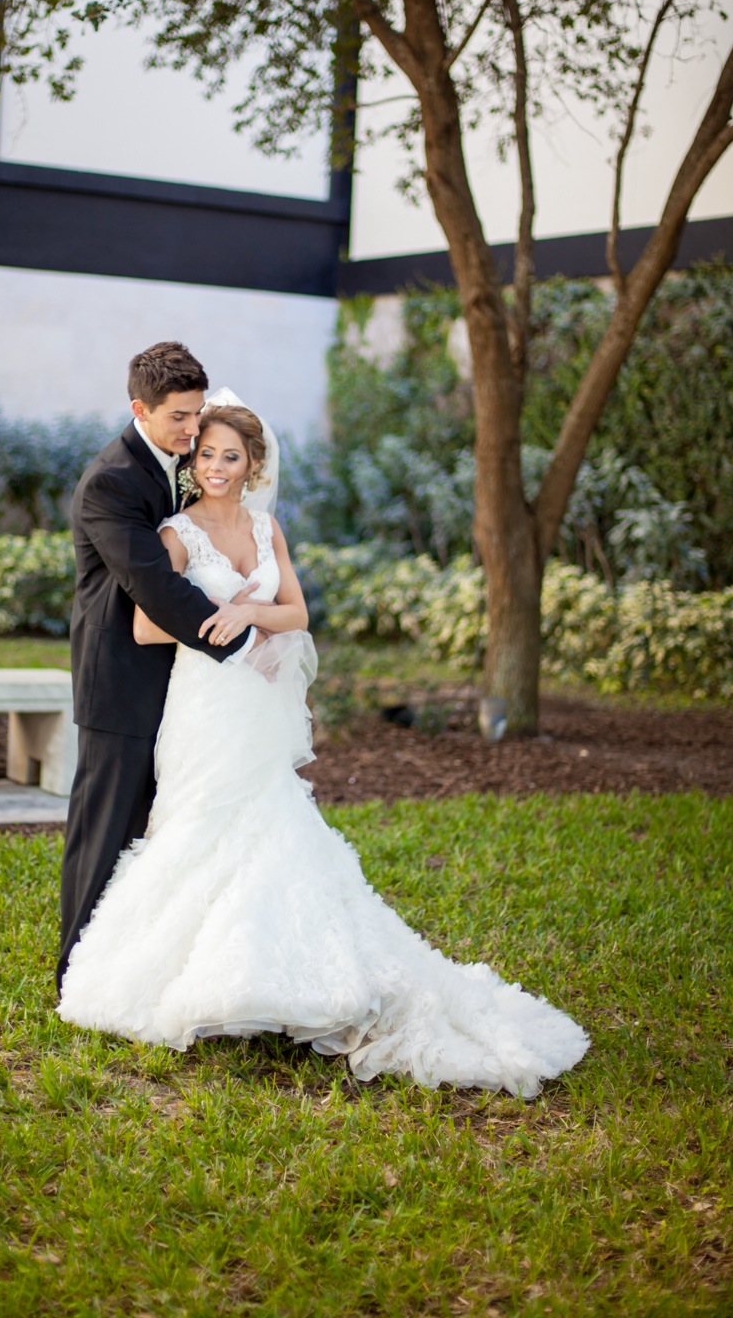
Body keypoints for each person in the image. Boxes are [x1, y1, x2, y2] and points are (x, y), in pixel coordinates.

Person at [58, 396, 590, 1097]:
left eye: (230, 456)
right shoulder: (175, 533)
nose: (216, 466)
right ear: (194, 462)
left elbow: (299, 614)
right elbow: (149, 631)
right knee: (200, 824)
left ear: (252, 467)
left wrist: (251, 610)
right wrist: (229, 625)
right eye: (206, 454)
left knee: (273, 821)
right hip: (205, 704)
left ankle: (287, 971)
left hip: (258, 709)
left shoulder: (266, 527)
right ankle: (201, 979)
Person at [57, 343, 261, 996]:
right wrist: (243, 643)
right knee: (104, 831)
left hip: (175, 683)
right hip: (119, 678)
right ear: (138, 408)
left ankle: (130, 965)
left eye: (197, 415)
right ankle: (76, 976)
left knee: (152, 830)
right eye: (179, 417)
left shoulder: (175, 463)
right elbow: (155, 586)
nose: (193, 431)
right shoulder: (111, 481)